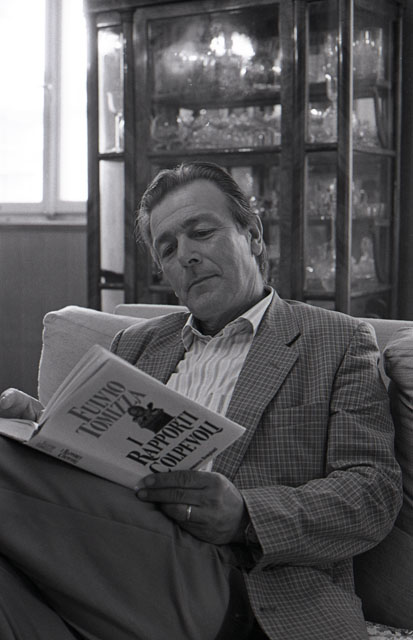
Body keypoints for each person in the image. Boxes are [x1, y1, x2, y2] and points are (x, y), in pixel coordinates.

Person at [0, 161, 402, 640]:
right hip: (112, 568)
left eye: (202, 232)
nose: (187, 255)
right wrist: (35, 426)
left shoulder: (337, 341)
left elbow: (372, 492)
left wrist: (245, 515)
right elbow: (91, 470)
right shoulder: (137, 344)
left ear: (253, 236)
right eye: (168, 248)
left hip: (246, 587)